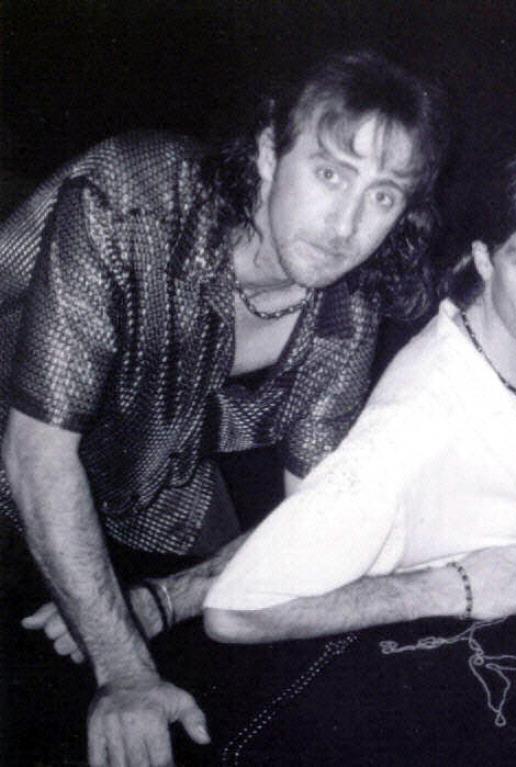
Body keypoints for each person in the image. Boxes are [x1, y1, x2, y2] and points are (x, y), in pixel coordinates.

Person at [0, 49, 446, 766]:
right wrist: (125, 670)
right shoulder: (133, 194)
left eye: (384, 196)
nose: (347, 226)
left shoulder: (348, 312)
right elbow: (36, 454)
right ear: (270, 151)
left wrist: (161, 602)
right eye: (331, 174)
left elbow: (309, 522)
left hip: (149, 489)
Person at [199, 141, 516, 764]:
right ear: (485, 260)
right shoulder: (417, 421)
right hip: (421, 690)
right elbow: (237, 610)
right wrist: (453, 588)